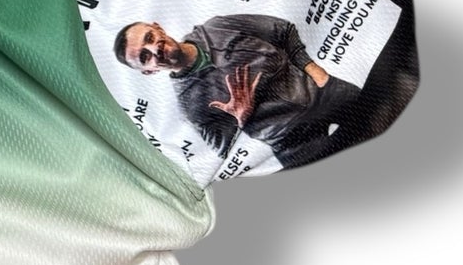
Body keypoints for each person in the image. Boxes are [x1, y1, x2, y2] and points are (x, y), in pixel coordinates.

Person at [113, 13, 360, 168]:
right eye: (144, 57)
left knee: (380, 112)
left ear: (158, 27)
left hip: (323, 94)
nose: (154, 49)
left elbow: (282, 31)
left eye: (149, 37)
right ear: (149, 71)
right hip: (291, 142)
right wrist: (239, 117)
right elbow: (221, 149)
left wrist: (317, 72)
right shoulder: (190, 104)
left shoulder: (217, 28)